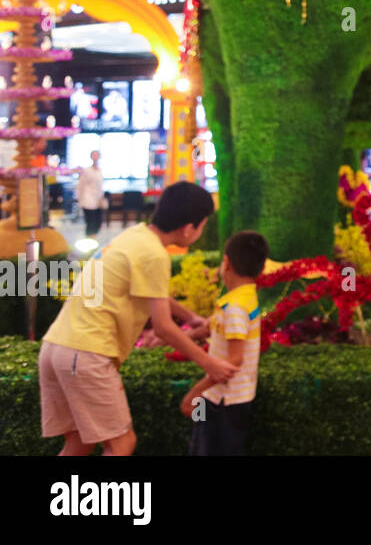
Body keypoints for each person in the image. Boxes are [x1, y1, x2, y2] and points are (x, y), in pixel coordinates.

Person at [39, 181, 236, 456]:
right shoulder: (155, 254)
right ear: (189, 228)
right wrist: (209, 363)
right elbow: (163, 327)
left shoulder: (135, 236)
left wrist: (192, 318)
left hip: (56, 348)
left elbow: (150, 292)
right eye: (202, 225)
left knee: (79, 444)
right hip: (86, 353)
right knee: (122, 443)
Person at [181, 230, 269, 456]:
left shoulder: (236, 309)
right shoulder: (242, 297)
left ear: (226, 263)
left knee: (206, 448)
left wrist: (195, 392)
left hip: (221, 401)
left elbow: (234, 360)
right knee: (203, 442)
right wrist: (184, 337)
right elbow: (213, 325)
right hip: (225, 398)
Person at [76, 150, 105, 237]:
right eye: (94, 155)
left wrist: (101, 198)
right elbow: (81, 185)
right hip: (88, 200)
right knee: (90, 222)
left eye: (97, 155)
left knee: (97, 222)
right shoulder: (87, 171)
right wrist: (80, 199)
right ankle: (89, 240)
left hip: (97, 200)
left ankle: (94, 238)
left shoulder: (99, 170)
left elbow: (100, 186)